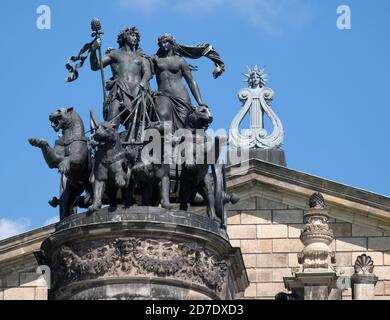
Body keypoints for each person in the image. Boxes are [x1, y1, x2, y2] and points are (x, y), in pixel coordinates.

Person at [151, 33, 225, 131]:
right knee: (162, 116)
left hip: (181, 97)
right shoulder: (155, 59)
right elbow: (145, 73)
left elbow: (191, 81)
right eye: (161, 44)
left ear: (171, 43)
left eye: (165, 42)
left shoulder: (180, 61)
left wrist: (200, 101)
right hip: (163, 95)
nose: (163, 45)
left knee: (182, 128)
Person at [90, 27, 152, 128]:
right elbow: (95, 66)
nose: (135, 38)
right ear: (124, 37)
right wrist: (93, 50)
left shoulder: (141, 57)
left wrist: (143, 82)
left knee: (139, 124)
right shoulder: (114, 54)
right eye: (132, 35)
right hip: (119, 91)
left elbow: (147, 73)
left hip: (138, 90)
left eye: (136, 36)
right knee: (111, 125)